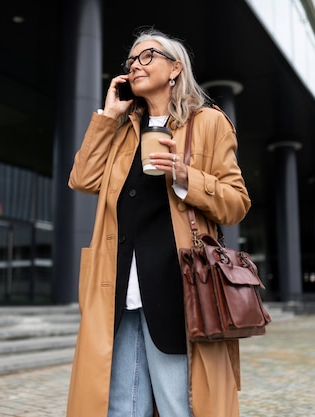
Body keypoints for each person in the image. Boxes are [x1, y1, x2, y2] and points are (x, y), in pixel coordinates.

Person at [67, 28, 251, 417]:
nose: (135, 65)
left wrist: (188, 178)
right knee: (120, 406)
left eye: (146, 56)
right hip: (118, 287)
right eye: (131, 60)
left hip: (178, 288)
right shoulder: (122, 130)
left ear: (175, 68)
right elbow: (82, 179)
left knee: (177, 405)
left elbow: (236, 203)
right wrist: (106, 118)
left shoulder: (208, 122)